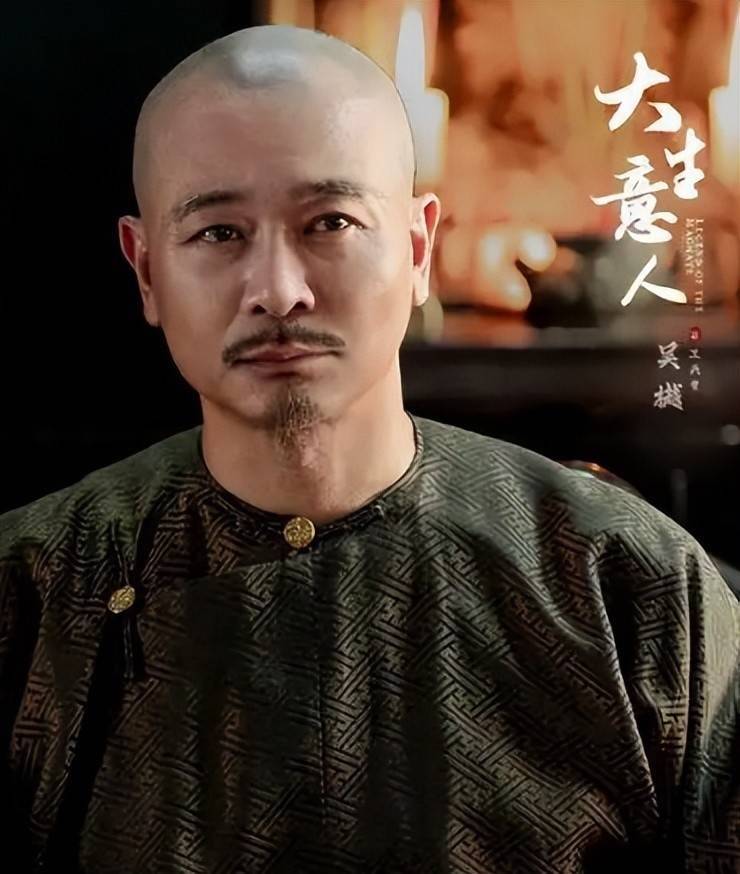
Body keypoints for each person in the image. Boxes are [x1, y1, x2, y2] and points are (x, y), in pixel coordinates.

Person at [0, 23, 737, 874]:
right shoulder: (34, 588)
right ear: (145, 272)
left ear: (418, 249)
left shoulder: (624, 586)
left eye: (330, 222)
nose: (278, 291)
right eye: (218, 234)